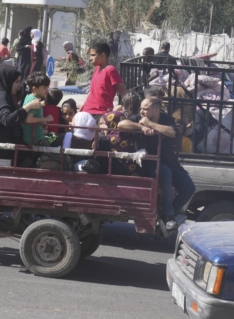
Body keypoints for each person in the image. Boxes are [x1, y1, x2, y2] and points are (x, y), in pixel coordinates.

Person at [118, 97, 195, 230]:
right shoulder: (139, 118)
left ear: (156, 110)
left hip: (170, 161)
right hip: (149, 162)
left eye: (145, 109)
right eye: (141, 108)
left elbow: (172, 132)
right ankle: (168, 214)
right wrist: (141, 127)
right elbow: (121, 124)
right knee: (165, 173)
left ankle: (169, 215)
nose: (141, 111)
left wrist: (151, 124)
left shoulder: (165, 118)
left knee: (189, 187)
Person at [0, 66, 42, 161]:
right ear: (7, 80)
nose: (19, 86)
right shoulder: (2, 95)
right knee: (33, 151)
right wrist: (29, 106)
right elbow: (7, 120)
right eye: (16, 82)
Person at [80, 42, 128, 121]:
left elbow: (124, 91)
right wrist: (81, 109)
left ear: (103, 56)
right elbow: (91, 92)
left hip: (101, 114)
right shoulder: (97, 69)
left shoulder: (110, 70)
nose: (90, 58)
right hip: (86, 112)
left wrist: (123, 107)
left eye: (93, 55)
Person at [97, 111, 142, 176]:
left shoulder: (104, 140)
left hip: (111, 176)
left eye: (104, 123)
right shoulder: (132, 135)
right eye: (100, 124)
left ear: (112, 123)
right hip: (135, 176)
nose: (101, 127)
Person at [21, 72, 54, 146]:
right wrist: (46, 119)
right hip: (36, 139)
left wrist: (42, 122)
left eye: (47, 87)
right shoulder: (34, 101)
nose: (47, 90)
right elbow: (29, 120)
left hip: (32, 138)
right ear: (35, 89)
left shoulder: (29, 96)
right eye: (44, 87)